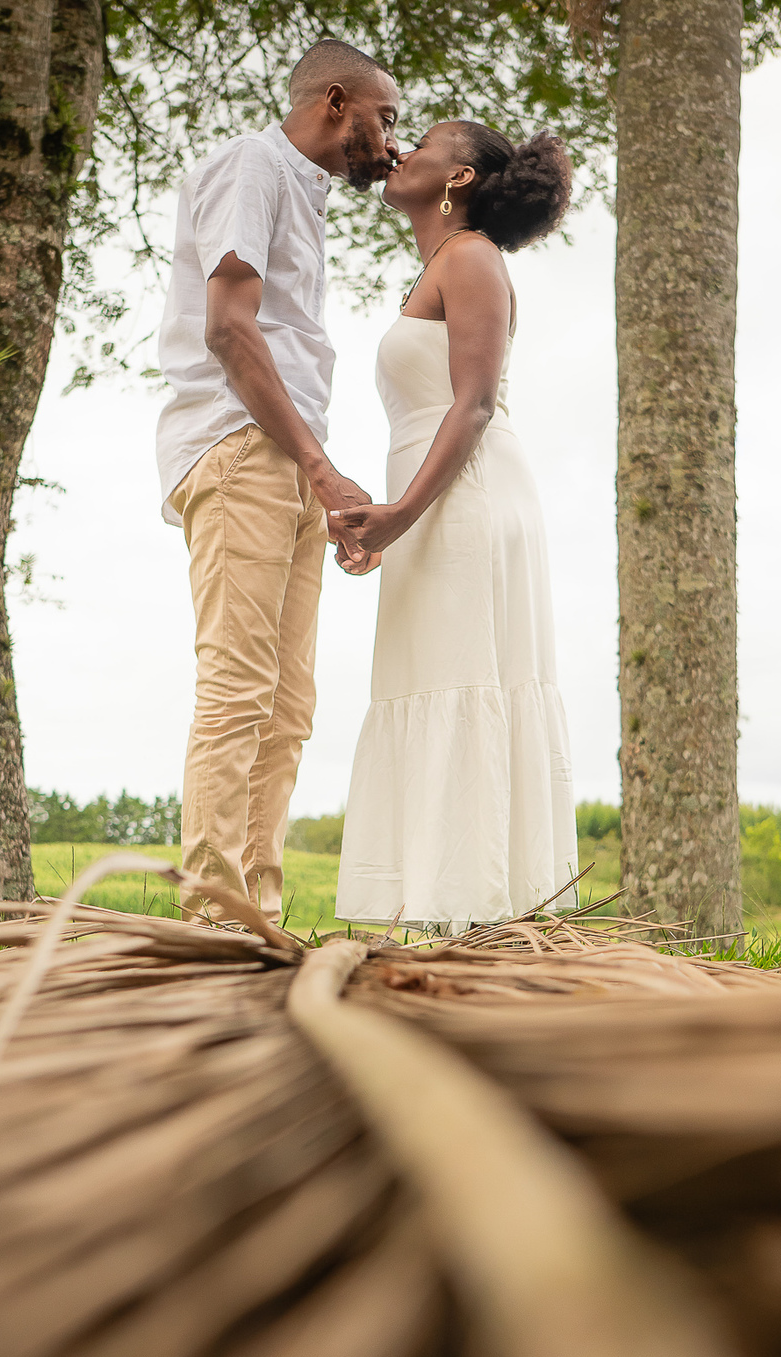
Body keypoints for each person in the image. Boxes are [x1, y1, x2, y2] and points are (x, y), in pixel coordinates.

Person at [157, 41, 400, 922]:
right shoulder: (252, 167)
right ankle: (213, 915)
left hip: (289, 457)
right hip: (240, 449)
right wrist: (319, 468)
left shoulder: (306, 192)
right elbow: (229, 329)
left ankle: (257, 912)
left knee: (289, 706)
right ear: (338, 101)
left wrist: (317, 479)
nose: (392, 142)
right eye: (386, 118)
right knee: (237, 688)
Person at [332, 121, 578, 931]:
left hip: (466, 498)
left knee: (466, 679)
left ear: (460, 176)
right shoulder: (438, 266)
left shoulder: (471, 257)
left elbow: (473, 403)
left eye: (424, 140)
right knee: (430, 678)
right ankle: (439, 909)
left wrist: (401, 513)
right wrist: (386, 522)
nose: (401, 150)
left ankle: (479, 915)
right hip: (429, 501)